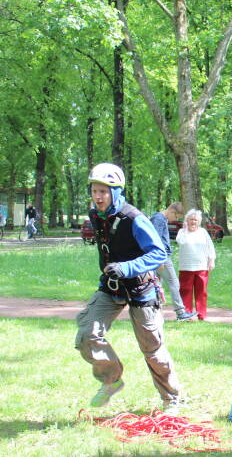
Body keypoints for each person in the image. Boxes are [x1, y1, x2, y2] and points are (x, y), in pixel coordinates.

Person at [74, 163, 181, 412]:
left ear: (116, 191)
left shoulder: (134, 218)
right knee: (86, 334)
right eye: (94, 191)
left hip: (141, 288)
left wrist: (127, 267)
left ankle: (171, 399)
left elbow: (159, 253)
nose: (98, 196)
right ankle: (111, 380)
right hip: (111, 287)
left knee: (152, 349)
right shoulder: (96, 215)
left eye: (104, 191)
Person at [150, 202, 198, 322]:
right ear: (172, 211)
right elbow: (155, 240)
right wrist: (159, 259)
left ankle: (154, 311)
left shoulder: (160, 218)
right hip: (162, 257)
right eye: (176, 217)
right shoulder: (159, 219)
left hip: (159, 256)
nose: (175, 219)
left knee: (156, 284)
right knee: (174, 283)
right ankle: (180, 312)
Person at [175, 209, 216, 321]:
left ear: (199, 221)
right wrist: (186, 230)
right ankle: (186, 315)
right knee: (185, 291)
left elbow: (210, 247)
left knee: (201, 292)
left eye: (196, 220)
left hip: (202, 266)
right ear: (186, 220)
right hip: (186, 267)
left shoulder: (203, 232)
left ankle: (201, 315)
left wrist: (211, 260)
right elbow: (181, 241)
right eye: (191, 219)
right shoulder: (182, 232)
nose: (193, 222)